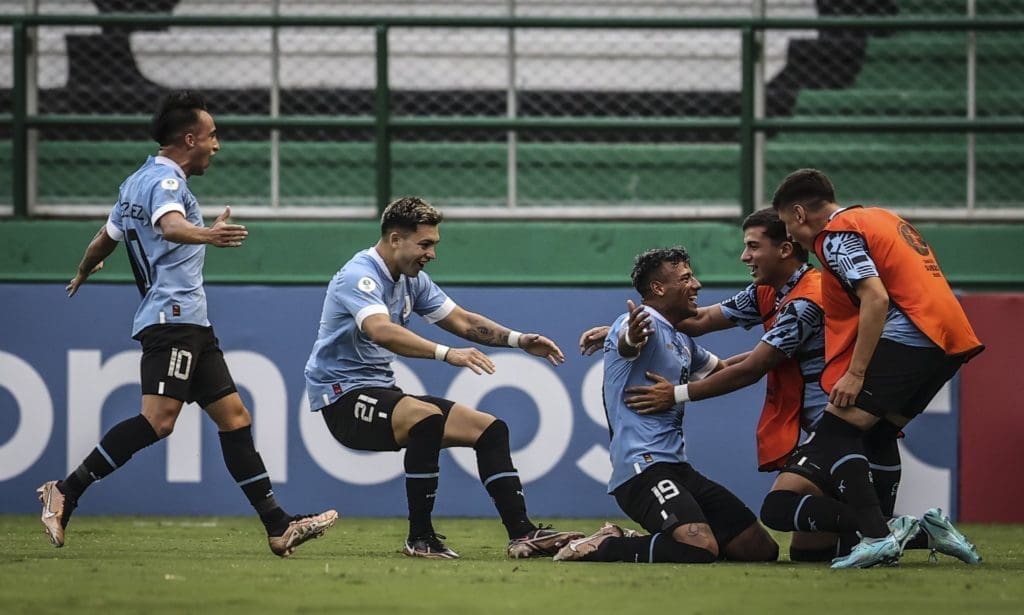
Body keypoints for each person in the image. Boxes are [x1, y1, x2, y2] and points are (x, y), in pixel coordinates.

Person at [577, 209, 978, 565]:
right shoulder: (768, 291)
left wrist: (673, 387)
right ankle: (908, 531)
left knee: (779, 508)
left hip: (842, 426)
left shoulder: (807, 300)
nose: (744, 256)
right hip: (838, 424)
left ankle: (897, 528)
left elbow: (752, 367)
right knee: (809, 550)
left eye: (753, 246)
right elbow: (697, 325)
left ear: (785, 249)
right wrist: (625, 332)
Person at [39, 90, 337, 557]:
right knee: (157, 421)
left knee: (235, 418)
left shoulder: (134, 180)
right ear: (190, 138)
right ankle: (65, 491)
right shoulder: (168, 184)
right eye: (213, 135)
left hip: (190, 324)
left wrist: (82, 269)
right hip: (172, 320)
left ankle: (278, 525)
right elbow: (171, 226)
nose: (217, 144)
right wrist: (209, 235)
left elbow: (106, 237)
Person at [304, 196, 582, 560]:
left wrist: (517, 340)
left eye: (434, 244)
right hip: (342, 399)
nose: (432, 253)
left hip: (379, 391)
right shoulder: (360, 276)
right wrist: (446, 353)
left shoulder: (410, 281)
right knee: (426, 418)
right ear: (394, 240)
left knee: (490, 430)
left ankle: (522, 534)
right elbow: (381, 331)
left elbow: (463, 321)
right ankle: (420, 538)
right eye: (425, 244)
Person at [771, 168, 983, 568]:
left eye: (787, 225)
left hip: (914, 332)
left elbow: (875, 298)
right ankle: (915, 532)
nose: (792, 236)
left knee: (836, 427)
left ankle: (876, 534)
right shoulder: (882, 217)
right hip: (950, 337)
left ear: (799, 213)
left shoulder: (835, 236)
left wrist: (856, 372)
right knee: (880, 430)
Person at [555, 247, 779, 564]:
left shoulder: (683, 341)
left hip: (678, 468)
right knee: (699, 548)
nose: (697, 285)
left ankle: (649, 540)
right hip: (640, 470)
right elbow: (629, 343)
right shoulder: (633, 323)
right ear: (659, 288)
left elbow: (729, 372)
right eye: (686, 278)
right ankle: (606, 546)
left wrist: (779, 349)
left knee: (760, 550)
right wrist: (629, 335)